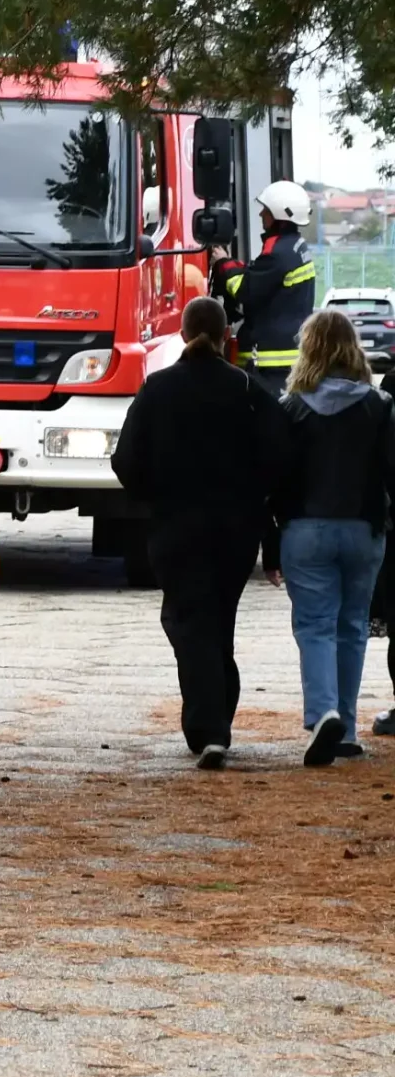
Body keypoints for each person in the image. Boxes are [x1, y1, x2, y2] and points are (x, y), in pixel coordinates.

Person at [111, 296, 287, 768]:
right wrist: (258, 505)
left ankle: (210, 729)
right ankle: (216, 718)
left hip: (176, 526)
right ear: (227, 334)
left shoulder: (158, 389)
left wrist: (153, 496)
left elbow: (126, 460)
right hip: (235, 529)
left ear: (184, 335)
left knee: (187, 622)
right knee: (216, 622)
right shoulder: (249, 391)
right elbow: (278, 457)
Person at [273, 308, 395, 766]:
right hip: (364, 529)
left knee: (315, 626)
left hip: (305, 529)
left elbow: (278, 475)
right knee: (353, 627)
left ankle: (323, 712)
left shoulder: (292, 408)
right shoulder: (379, 406)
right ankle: (344, 721)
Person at [223, 181, 318, 395]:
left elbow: (244, 290)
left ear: (278, 215)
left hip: (273, 361)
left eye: (265, 210)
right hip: (290, 352)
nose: (261, 215)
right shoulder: (295, 246)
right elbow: (261, 276)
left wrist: (224, 264)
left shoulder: (277, 254)